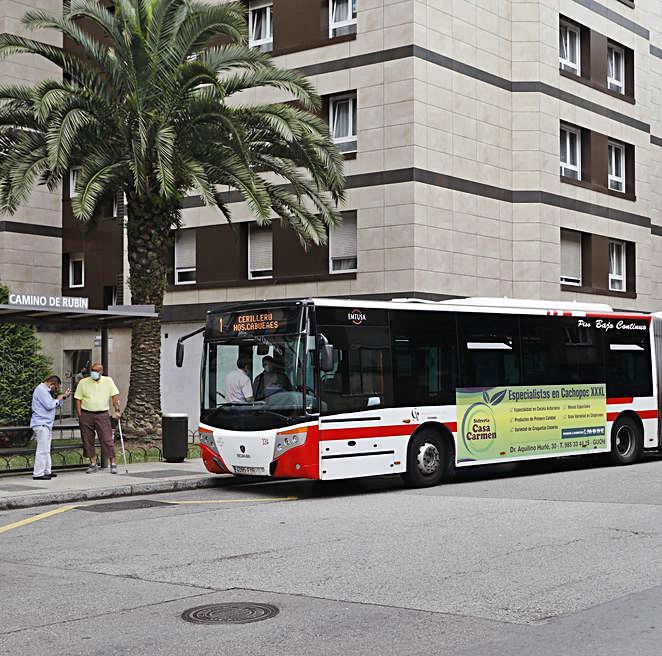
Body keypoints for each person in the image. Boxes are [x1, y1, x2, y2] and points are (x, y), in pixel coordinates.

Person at [74, 362, 121, 474]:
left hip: (102, 414)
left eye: (96, 370)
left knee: (107, 439)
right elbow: (78, 399)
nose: (94, 372)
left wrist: (117, 410)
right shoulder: (83, 382)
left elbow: (114, 396)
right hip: (86, 414)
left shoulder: (108, 381)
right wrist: (80, 415)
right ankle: (93, 463)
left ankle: (113, 463)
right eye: (92, 370)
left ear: (101, 372)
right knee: (87, 440)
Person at [30, 375, 71, 480]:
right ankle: (38, 474)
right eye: (56, 387)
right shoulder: (41, 390)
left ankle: (47, 471)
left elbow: (54, 404)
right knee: (42, 450)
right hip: (41, 423)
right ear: (51, 384)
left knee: (46, 449)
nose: (56, 389)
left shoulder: (45, 391)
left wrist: (63, 397)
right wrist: (58, 399)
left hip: (46, 424)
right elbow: (49, 405)